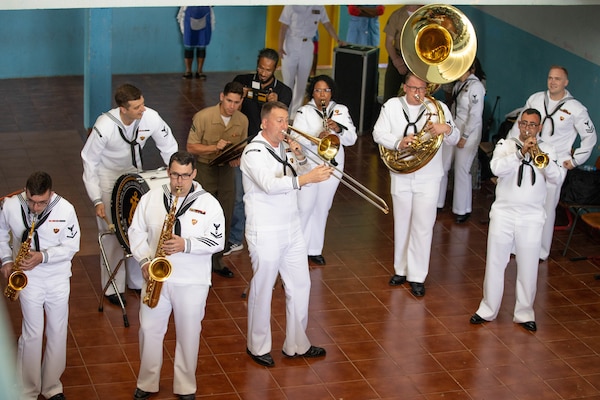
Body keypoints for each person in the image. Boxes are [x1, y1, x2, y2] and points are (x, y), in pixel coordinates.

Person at [241, 101, 334, 367]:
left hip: (291, 227)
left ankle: (297, 344)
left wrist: (302, 157)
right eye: (280, 121)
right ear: (265, 123)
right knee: (263, 289)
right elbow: (270, 185)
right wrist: (307, 178)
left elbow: (300, 173)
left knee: (301, 285)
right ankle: (257, 346)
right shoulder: (253, 152)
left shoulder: (285, 146)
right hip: (265, 229)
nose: (286, 126)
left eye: (287, 120)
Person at [129, 151, 225, 400]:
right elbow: (136, 231)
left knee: (189, 332)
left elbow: (218, 240)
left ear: (194, 174)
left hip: (192, 281)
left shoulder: (208, 204)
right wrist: (143, 260)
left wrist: (186, 244)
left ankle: (185, 386)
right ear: (168, 173)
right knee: (148, 330)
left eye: (184, 176)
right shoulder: (151, 198)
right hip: (156, 276)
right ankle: (147, 382)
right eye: (174, 175)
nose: (178, 182)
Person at [81, 83, 178, 306]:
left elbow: (168, 145)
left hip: (135, 173)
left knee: (137, 226)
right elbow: (89, 161)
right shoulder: (104, 127)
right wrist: (96, 198)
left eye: (142, 104)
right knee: (113, 231)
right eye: (136, 107)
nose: (142, 110)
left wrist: (174, 171)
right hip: (108, 175)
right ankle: (113, 286)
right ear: (123, 109)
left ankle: (136, 279)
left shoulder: (150, 117)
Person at [471, 109, 562, 332]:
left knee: (529, 266)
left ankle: (524, 313)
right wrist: (520, 153)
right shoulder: (506, 145)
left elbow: (557, 178)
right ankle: (488, 309)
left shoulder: (548, 150)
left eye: (532, 124)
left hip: (531, 217)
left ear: (539, 128)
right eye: (524, 124)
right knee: (495, 262)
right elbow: (495, 169)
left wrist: (544, 161)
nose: (527, 128)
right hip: (504, 213)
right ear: (519, 125)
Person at [373, 73, 459, 297]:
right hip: (401, 174)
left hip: (428, 177)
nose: (417, 93)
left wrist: (446, 129)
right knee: (401, 223)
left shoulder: (437, 107)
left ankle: (417, 276)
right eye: (413, 88)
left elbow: (455, 137)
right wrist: (398, 142)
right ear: (404, 87)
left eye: (422, 89)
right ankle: (400, 270)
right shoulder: (392, 106)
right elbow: (377, 133)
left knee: (423, 226)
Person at [0, 171, 80, 400]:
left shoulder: (66, 210)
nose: (36, 208)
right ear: (26, 193)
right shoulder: (11, 206)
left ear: (51, 194)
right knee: (32, 333)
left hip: (57, 277)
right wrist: (6, 259)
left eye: (42, 202)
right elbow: (0, 232)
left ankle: (52, 386)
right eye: (32, 202)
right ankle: (28, 389)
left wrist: (43, 257)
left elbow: (72, 246)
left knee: (57, 330)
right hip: (27, 277)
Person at [508, 66, 597, 261]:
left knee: (547, 208)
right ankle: (516, 246)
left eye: (557, 79)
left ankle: (541, 251)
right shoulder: (536, 99)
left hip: (555, 163)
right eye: (550, 78)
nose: (553, 82)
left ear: (566, 82)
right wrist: (511, 149)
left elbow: (590, 137)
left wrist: (575, 160)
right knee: (522, 201)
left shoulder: (576, 108)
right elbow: (519, 126)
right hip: (530, 156)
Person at [228, 49, 293, 255]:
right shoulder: (242, 81)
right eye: (261, 68)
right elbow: (231, 110)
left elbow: (280, 119)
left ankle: (270, 235)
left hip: (269, 148)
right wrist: (241, 96)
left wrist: (273, 102)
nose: (263, 73)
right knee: (239, 195)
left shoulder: (283, 91)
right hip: (244, 145)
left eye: (268, 69)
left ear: (276, 69)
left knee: (269, 191)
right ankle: (235, 238)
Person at [293, 75, 357, 265]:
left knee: (322, 207)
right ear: (312, 92)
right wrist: (316, 137)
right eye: (318, 90)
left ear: (332, 92)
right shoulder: (304, 112)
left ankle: (314, 249)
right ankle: (298, 250)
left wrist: (338, 129)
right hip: (310, 165)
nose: (322, 94)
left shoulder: (340, 110)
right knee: (305, 207)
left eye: (326, 90)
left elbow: (351, 139)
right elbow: (296, 138)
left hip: (333, 165)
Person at [186, 81, 248, 278]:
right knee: (201, 213)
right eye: (229, 100)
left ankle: (217, 258)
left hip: (227, 171)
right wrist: (214, 147)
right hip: (205, 169)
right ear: (222, 97)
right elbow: (191, 147)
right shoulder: (204, 117)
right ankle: (197, 257)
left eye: (236, 102)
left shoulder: (242, 120)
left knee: (226, 213)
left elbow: (241, 147)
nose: (232, 106)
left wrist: (236, 157)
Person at [437, 59, 486, 223]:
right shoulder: (459, 85)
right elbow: (453, 110)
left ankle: (462, 209)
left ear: (471, 68)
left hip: (469, 133)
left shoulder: (476, 86)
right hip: (454, 128)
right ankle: (437, 203)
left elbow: (475, 115)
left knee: (462, 169)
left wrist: (464, 136)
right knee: (443, 166)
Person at [278, 5, 344, 119]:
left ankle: (295, 114)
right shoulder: (291, 5)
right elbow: (283, 27)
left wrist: (338, 39)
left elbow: (327, 24)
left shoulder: (319, 6)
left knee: (302, 83)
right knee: (288, 82)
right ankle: (284, 112)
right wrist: (279, 47)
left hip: (307, 45)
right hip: (291, 44)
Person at [382, 5, 422, 102]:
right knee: (389, 96)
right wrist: (396, 61)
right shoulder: (397, 15)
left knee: (415, 96)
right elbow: (388, 42)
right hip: (397, 57)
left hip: (418, 60)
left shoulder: (427, 14)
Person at [177, 6, 214, 79]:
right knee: (188, 46)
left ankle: (200, 71)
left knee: (202, 46)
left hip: (205, 14)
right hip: (188, 14)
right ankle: (188, 71)